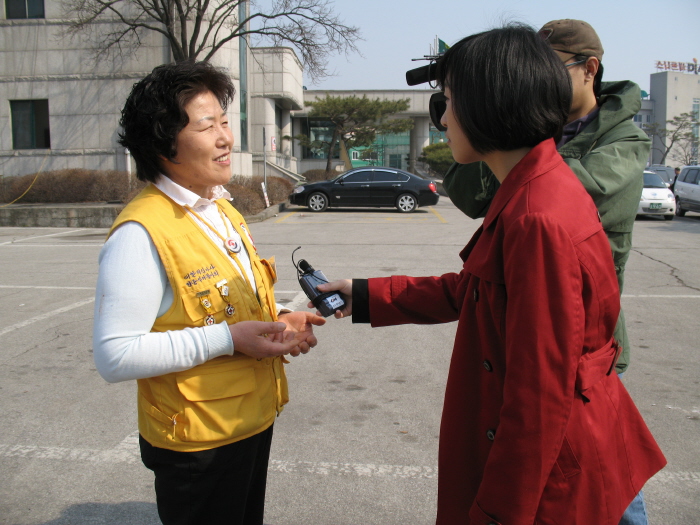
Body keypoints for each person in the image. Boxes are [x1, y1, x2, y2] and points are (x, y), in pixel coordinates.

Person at [316, 25, 665, 525]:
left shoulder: (536, 215)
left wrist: (498, 515)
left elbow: (540, 398)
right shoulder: (532, 184)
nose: (444, 118)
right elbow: (477, 290)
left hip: (548, 481)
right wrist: (367, 295)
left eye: (450, 100)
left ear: (489, 105)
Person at [93, 61, 325, 525]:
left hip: (249, 421)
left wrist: (279, 319)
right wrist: (230, 339)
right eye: (207, 126)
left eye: (225, 122)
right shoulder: (141, 233)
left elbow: (218, 305)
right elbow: (115, 354)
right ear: (164, 141)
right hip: (197, 444)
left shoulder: (220, 208)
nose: (225, 138)